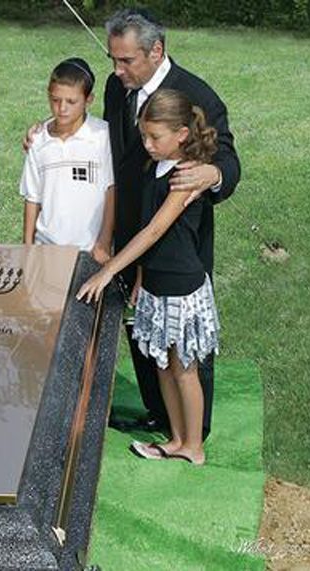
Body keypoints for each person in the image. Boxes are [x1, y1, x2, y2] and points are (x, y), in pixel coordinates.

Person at [24, 8, 240, 439]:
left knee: (181, 340)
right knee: (142, 328)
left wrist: (213, 173)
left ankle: (195, 429)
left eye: (126, 61)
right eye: (113, 60)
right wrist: (45, 130)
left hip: (177, 243)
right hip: (126, 231)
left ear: (156, 51)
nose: (117, 70)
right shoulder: (116, 86)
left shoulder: (197, 94)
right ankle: (159, 412)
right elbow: (100, 136)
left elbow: (229, 160)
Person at [77, 88, 221, 465]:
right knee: (163, 365)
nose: (147, 144)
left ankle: (194, 446)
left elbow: (154, 231)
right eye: (143, 136)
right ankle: (176, 438)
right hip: (155, 283)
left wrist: (109, 271)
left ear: (182, 135)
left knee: (184, 368)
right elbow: (145, 224)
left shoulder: (185, 176)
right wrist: (141, 276)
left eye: (155, 137)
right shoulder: (152, 167)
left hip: (180, 285)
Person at [20, 58, 114, 262]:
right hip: (46, 249)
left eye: (71, 102)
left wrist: (104, 242)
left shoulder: (102, 135)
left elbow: (111, 190)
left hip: (89, 250)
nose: (62, 108)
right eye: (55, 100)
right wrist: (27, 248)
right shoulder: (38, 140)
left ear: (89, 100)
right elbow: (32, 197)